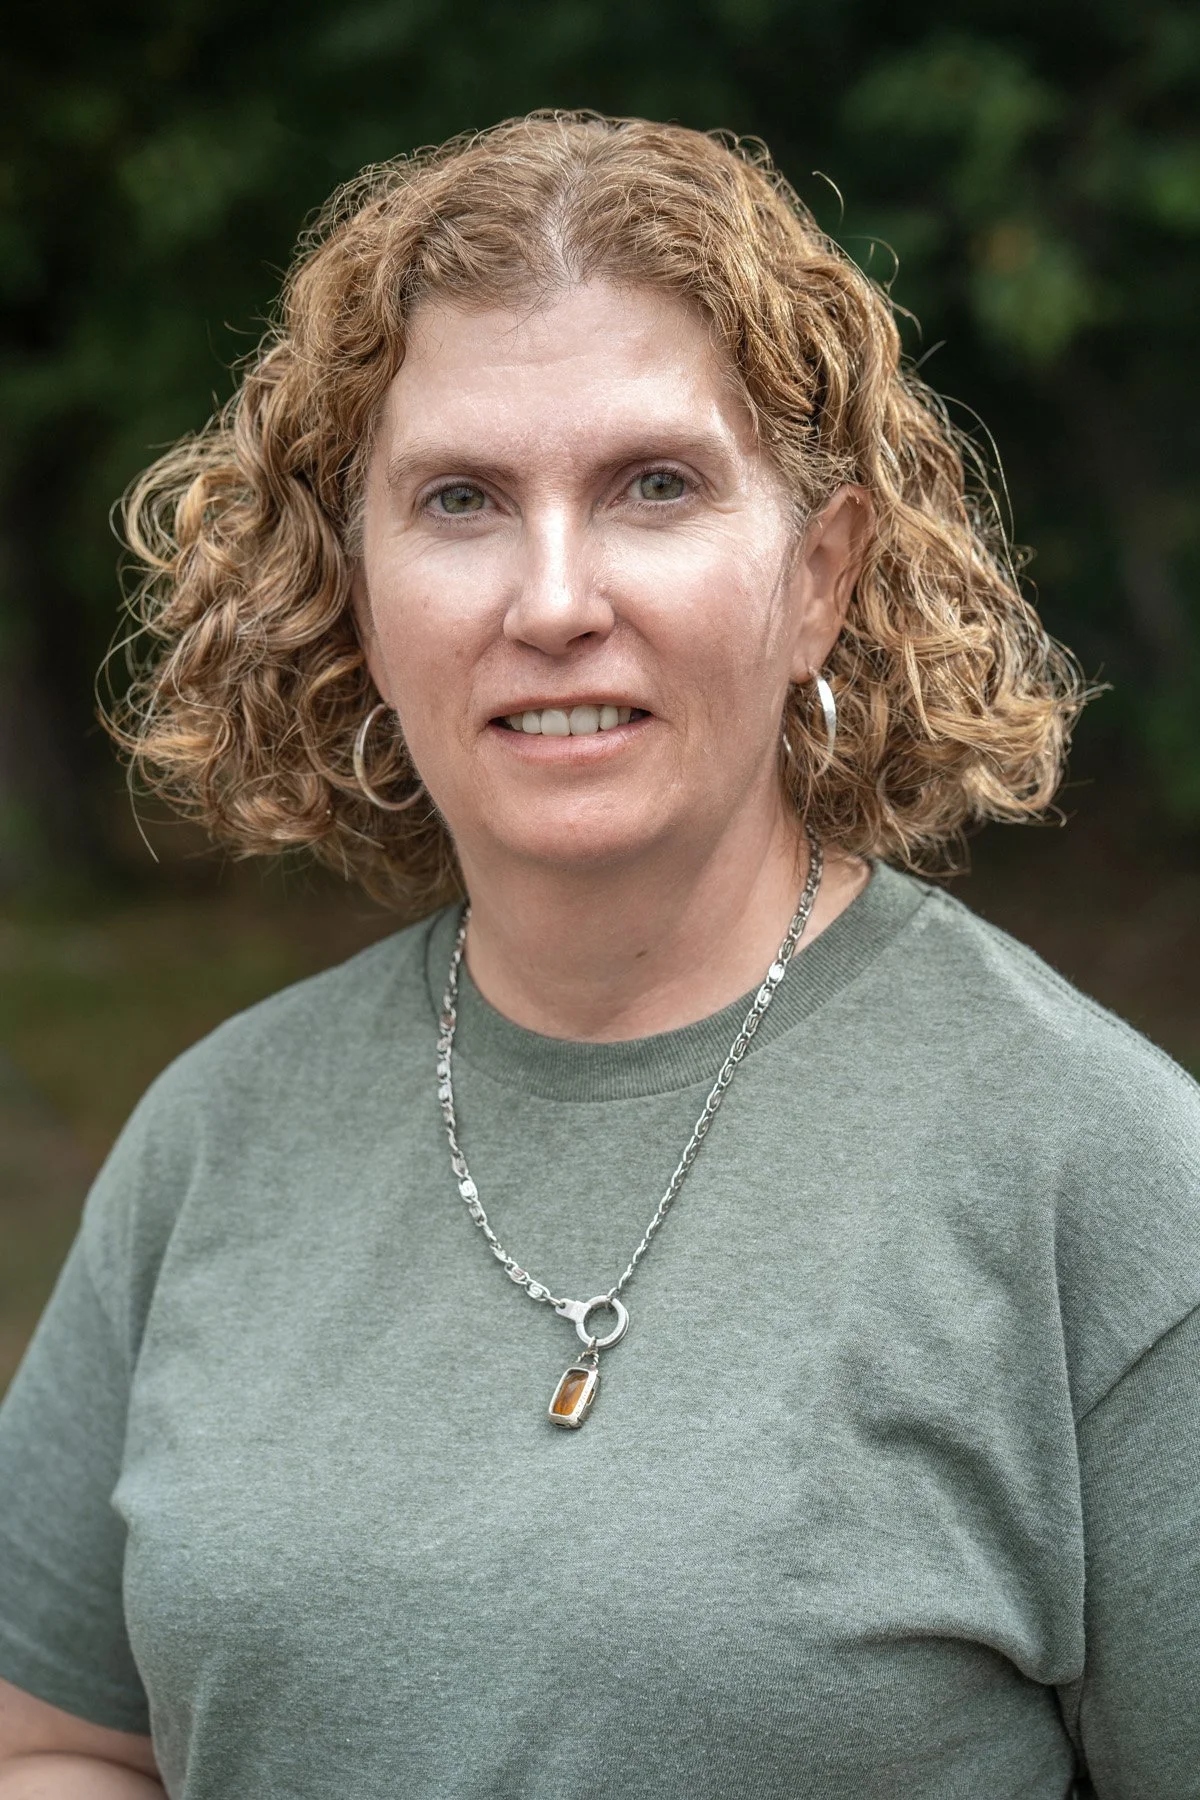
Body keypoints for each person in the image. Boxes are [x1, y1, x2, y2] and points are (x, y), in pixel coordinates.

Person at [0, 111, 1197, 1800]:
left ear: (818, 582)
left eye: (655, 487)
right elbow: (52, 1741)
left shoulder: (1109, 1186)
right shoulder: (215, 1144)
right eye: (462, 500)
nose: (553, 599)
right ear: (355, 588)